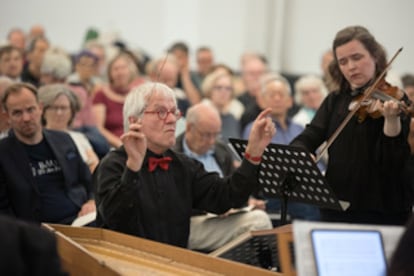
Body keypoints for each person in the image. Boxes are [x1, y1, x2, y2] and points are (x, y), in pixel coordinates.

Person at [94, 81, 276, 248]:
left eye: (174, 112)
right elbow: (115, 221)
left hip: (175, 264)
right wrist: (133, 168)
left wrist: (253, 153)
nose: (173, 120)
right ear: (134, 121)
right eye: (161, 112)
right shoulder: (112, 165)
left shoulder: (182, 165)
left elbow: (225, 197)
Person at [290, 25, 412, 225]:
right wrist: (302, 155)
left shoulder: (395, 99)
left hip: (382, 210)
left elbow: (393, 162)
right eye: (343, 62)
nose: (351, 67)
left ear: (375, 57)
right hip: (337, 206)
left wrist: (391, 120)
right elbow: (309, 136)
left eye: (357, 58)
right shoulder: (335, 100)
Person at [173, 102, 272, 252]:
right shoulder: (175, 155)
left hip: (224, 214)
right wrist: (211, 208)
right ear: (188, 128)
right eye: (206, 135)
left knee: (259, 217)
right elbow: (173, 203)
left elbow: (231, 189)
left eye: (216, 134)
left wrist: (247, 203)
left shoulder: (220, 150)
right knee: (259, 221)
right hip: (191, 221)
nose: (212, 141)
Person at [0, 83, 95, 224]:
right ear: (7, 116)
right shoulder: (3, 153)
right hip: (36, 231)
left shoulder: (63, 139)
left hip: (80, 219)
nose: (26, 118)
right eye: (17, 113)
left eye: (30, 109)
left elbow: (88, 181)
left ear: (40, 108)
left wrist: (92, 201)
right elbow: (3, 211)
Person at [243, 73, 320, 222]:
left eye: (281, 95)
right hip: (274, 192)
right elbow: (254, 165)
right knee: (311, 209)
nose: (277, 99)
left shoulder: (300, 129)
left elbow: (317, 161)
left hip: (306, 189)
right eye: (272, 95)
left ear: (290, 101)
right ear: (262, 101)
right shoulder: (255, 128)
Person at [38, 84, 100, 172]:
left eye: (63, 108)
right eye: (54, 108)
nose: (59, 113)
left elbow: (95, 167)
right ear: (43, 111)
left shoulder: (79, 138)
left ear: (72, 112)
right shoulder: (37, 138)